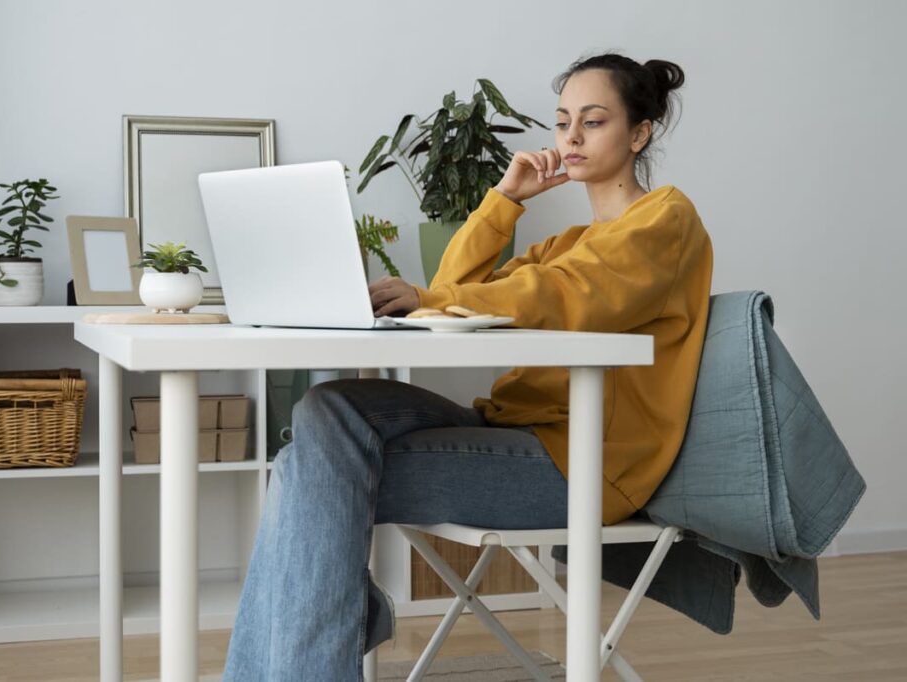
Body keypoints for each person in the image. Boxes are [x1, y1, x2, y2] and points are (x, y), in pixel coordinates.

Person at [222, 52, 714, 681]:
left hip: (582, 463)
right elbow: (452, 286)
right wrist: (505, 199)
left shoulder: (665, 221)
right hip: (515, 434)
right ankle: (338, 618)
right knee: (329, 407)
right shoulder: (568, 241)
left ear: (639, 133)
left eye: (593, 122)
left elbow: (563, 295)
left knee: (304, 473)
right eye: (564, 122)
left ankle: (335, 629)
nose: (571, 138)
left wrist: (432, 299)